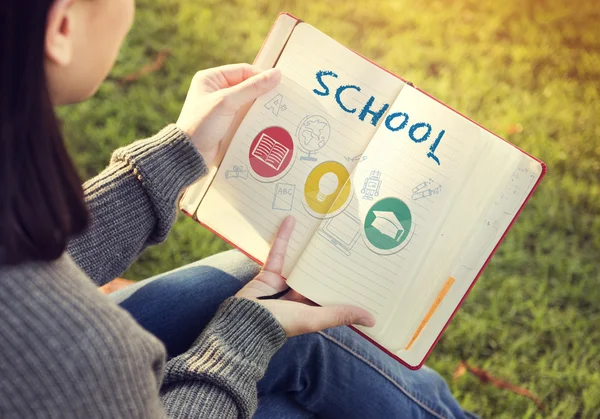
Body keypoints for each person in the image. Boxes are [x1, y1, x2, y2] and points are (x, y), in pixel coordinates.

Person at [0, 0, 476, 418]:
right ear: (62, 27)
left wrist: (173, 157)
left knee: (260, 288)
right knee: (294, 348)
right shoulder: (80, 350)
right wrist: (240, 340)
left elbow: (23, 256)